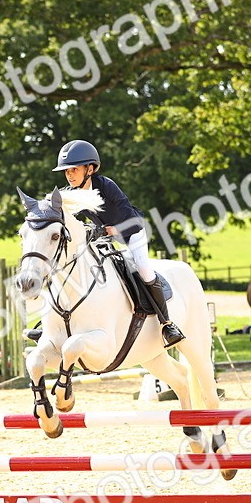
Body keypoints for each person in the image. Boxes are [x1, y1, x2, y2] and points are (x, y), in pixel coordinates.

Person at [53, 139, 184, 348]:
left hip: (131, 231)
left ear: (90, 169)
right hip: (104, 237)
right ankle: (51, 325)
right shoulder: (70, 194)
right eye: (66, 171)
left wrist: (115, 229)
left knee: (143, 269)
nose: (69, 175)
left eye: (74, 170)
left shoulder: (107, 186)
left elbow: (130, 219)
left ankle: (167, 324)